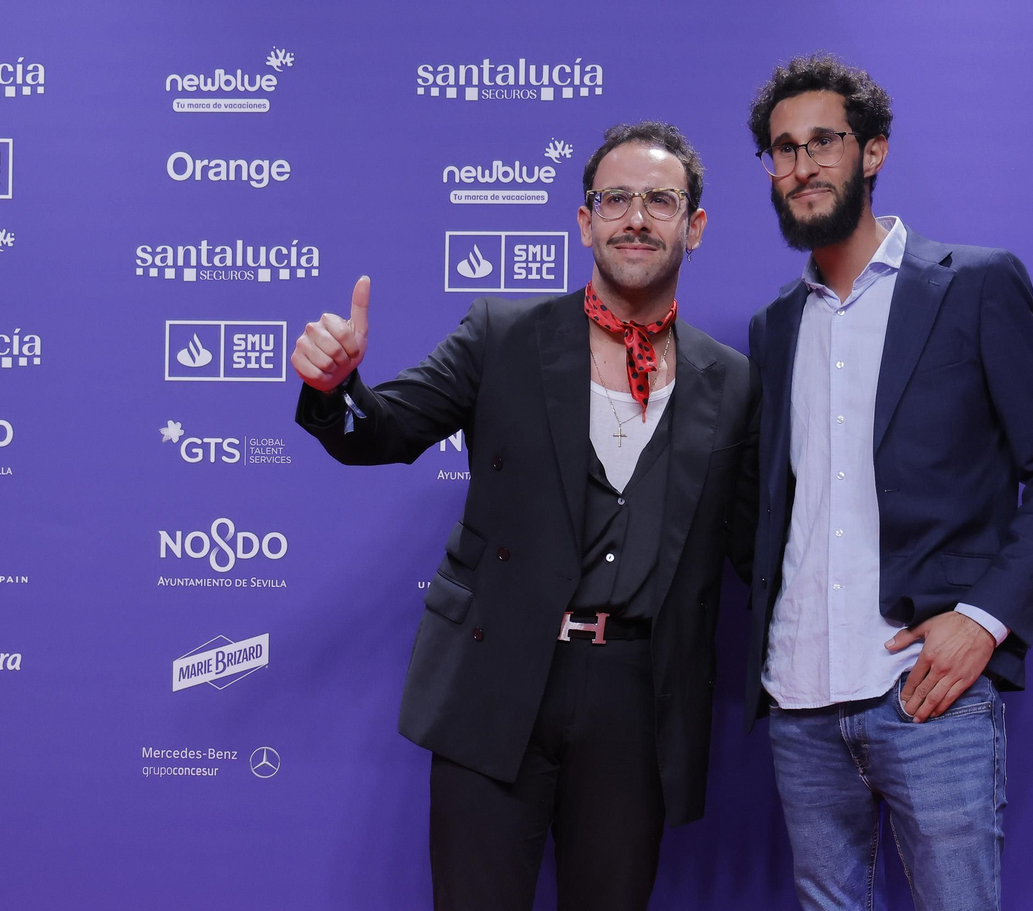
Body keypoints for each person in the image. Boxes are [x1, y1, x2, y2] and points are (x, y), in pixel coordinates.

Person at [292, 121, 757, 911]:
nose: (635, 217)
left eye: (660, 200)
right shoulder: (501, 335)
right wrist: (334, 390)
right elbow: (384, 432)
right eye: (615, 199)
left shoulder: (732, 380)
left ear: (695, 225)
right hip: (496, 676)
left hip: (638, 699)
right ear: (585, 221)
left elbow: (758, 545)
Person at [742, 55, 1033, 910]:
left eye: (822, 142)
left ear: (873, 152)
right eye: (782, 151)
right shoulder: (774, 326)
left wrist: (982, 620)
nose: (801, 167)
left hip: (928, 696)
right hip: (799, 700)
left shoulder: (973, 285)